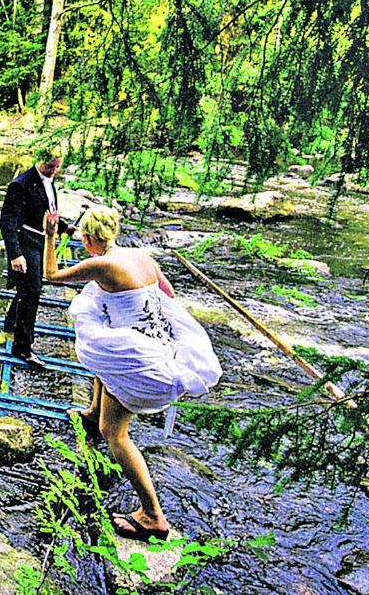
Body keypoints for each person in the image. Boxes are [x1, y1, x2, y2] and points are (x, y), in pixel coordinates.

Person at [42, 206, 221, 542]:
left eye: (82, 239)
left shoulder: (102, 265)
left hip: (142, 363)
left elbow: (51, 275)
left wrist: (51, 236)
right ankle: (92, 412)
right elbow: (167, 294)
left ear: (89, 238)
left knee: (115, 432)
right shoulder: (141, 256)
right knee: (104, 348)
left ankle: (153, 515)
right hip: (157, 346)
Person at [0, 152, 77, 368]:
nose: (54, 171)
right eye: (51, 167)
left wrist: (62, 227)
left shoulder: (49, 181)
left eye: (57, 167)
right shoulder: (20, 184)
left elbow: (46, 209)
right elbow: (7, 221)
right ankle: (22, 348)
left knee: (28, 289)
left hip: (41, 240)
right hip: (25, 241)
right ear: (40, 160)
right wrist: (15, 254)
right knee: (31, 292)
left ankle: (10, 324)